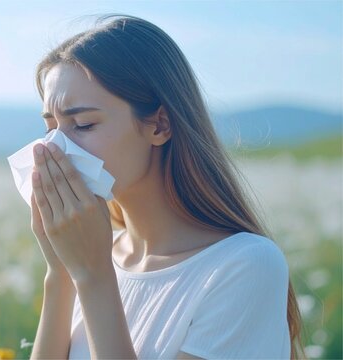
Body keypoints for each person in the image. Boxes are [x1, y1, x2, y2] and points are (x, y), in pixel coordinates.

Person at [27, 14, 305, 360]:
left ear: (159, 124)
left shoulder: (243, 267)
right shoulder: (97, 253)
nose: (53, 149)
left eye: (83, 124)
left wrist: (92, 275)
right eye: (50, 127)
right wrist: (61, 271)